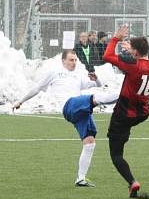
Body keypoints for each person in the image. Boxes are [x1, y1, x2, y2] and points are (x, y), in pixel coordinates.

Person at [12, 50, 117, 187]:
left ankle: (80, 178)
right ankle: (127, 96)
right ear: (63, 61)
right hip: (69, 106)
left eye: (75, 60)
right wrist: (20, 101)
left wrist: (96, 78)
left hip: (80, 111)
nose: (73, 63)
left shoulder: (78, 76)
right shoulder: (55, 72)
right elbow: (37, 88)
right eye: (71, 60)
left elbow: (97, 84)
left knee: (90, 143)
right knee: (96, 98)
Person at [103, 25, 149, 199]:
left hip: (124, 113)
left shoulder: (133, 65)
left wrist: (116, 39)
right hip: (142, 113)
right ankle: (124, 136)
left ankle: (132, 182)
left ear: (135, 52)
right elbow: (142, 60)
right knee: (123, 134)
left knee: (116, 154)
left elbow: (107, 56)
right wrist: (132, 51)